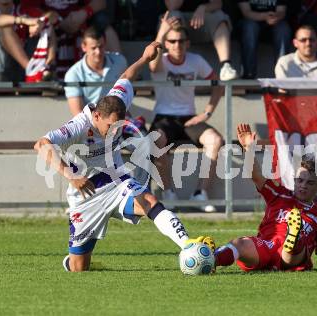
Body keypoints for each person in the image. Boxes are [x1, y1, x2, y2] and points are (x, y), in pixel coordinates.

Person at [34, 42, 214, 272]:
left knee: (150, 202)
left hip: (116, 181)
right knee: (79, 267)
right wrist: (71, 177)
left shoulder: (115, 102)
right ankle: (71, 262)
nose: (115, 131)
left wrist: (145, 58)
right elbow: (41, 144)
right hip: (85, 194)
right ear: (97, 115)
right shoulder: (78, 126)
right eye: (110, 126)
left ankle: (188, 245)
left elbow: (127, 75)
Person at [213, 123, 317, 272]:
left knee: (296, 245)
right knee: (240, 244)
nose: (303, 185)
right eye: (300, 180)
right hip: (266, 246)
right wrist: (249, 148)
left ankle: (293, 237)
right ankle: (209, 258)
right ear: (294, 179)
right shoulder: (279, 194)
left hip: (293, 259)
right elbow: (255, 175)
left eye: (309, 182)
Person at [149, 13, 224, 213]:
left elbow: (218, 85)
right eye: (171, 41)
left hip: (189, 119)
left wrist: (207, 113)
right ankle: (169, 194)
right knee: (156, 141)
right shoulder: (161, 59)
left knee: (215, 140)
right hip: (164, 118)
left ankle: (200, 194)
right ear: (165, 43)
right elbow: (152, 64)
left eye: (181, 41)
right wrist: (162, 31)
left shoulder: (196, 60)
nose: (177, 45)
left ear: (188, 43)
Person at [21, 0, 121, 78]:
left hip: (80, 24)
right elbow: (27, 8)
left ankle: (119, 77)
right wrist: (47, 17)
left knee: (105, 27)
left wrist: (85, 12)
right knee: (37, 30)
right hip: (48, 27)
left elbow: (101, 3)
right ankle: (39, 76)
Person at [0, 0, 56, 82]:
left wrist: (40, 24)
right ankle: (32, 70)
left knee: (44, 26)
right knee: (2, 26)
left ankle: (42, 69)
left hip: (20, 71)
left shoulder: (23, 10)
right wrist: (22, 20)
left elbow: (50, 18)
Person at [164, 0, 238, 81]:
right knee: (174, 15)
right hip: (179, 26)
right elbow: (172, 6)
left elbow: (218, 4)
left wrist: (203, 7)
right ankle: (175, 67)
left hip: (203, 20)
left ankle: (226, 66)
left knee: (219, 16)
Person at [64, 25, 127, 116]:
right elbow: (77, 114)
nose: (98, 52)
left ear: (105, 44)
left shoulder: (120, 61)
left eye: (101, 46)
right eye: (93, 48)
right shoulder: (73, 74)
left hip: (119, 120)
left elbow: (127, 93)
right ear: (83, 47)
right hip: (91, 124)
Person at [237, 0, 292, 79]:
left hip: (274, 22)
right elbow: (246, 12)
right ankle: (249, 76)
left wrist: (275, 17)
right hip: (249, 22)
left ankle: (283, 77)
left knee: (284, 29)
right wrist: (265, 16)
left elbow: (281, 11)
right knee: (250, 28)